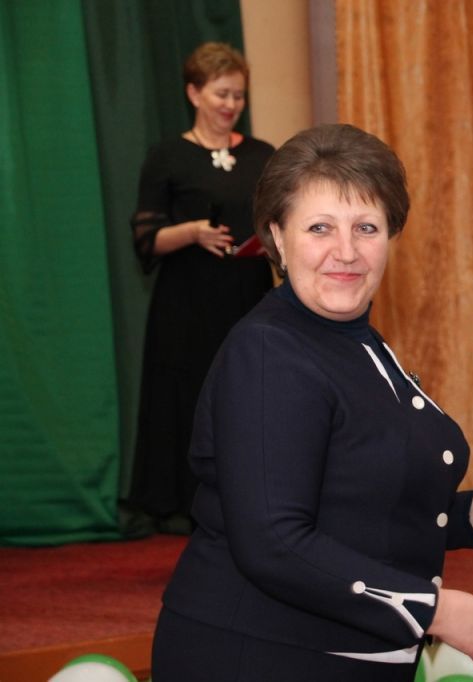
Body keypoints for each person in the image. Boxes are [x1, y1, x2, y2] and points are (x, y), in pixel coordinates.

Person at [150, 123, 473, 681]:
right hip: (258, 658)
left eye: (366, 227)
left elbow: (361, 509)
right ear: (278, 237)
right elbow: (274, 542)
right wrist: (433, 610)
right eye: (320, 227)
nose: (346, 251)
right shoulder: (270, 350)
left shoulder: (356, 341)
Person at [126, 42, 275, 531]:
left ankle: (255, 500)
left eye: (238, 95)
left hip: (249, 299)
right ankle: (188, 509)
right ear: (193, 93)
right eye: (221, 94)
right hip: (186, 305)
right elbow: (146, 238)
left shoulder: (262, 155)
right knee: (190, 399)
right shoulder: (167, 156)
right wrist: (192, 232)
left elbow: (283, 220)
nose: (231, 104)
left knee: (249, 398)